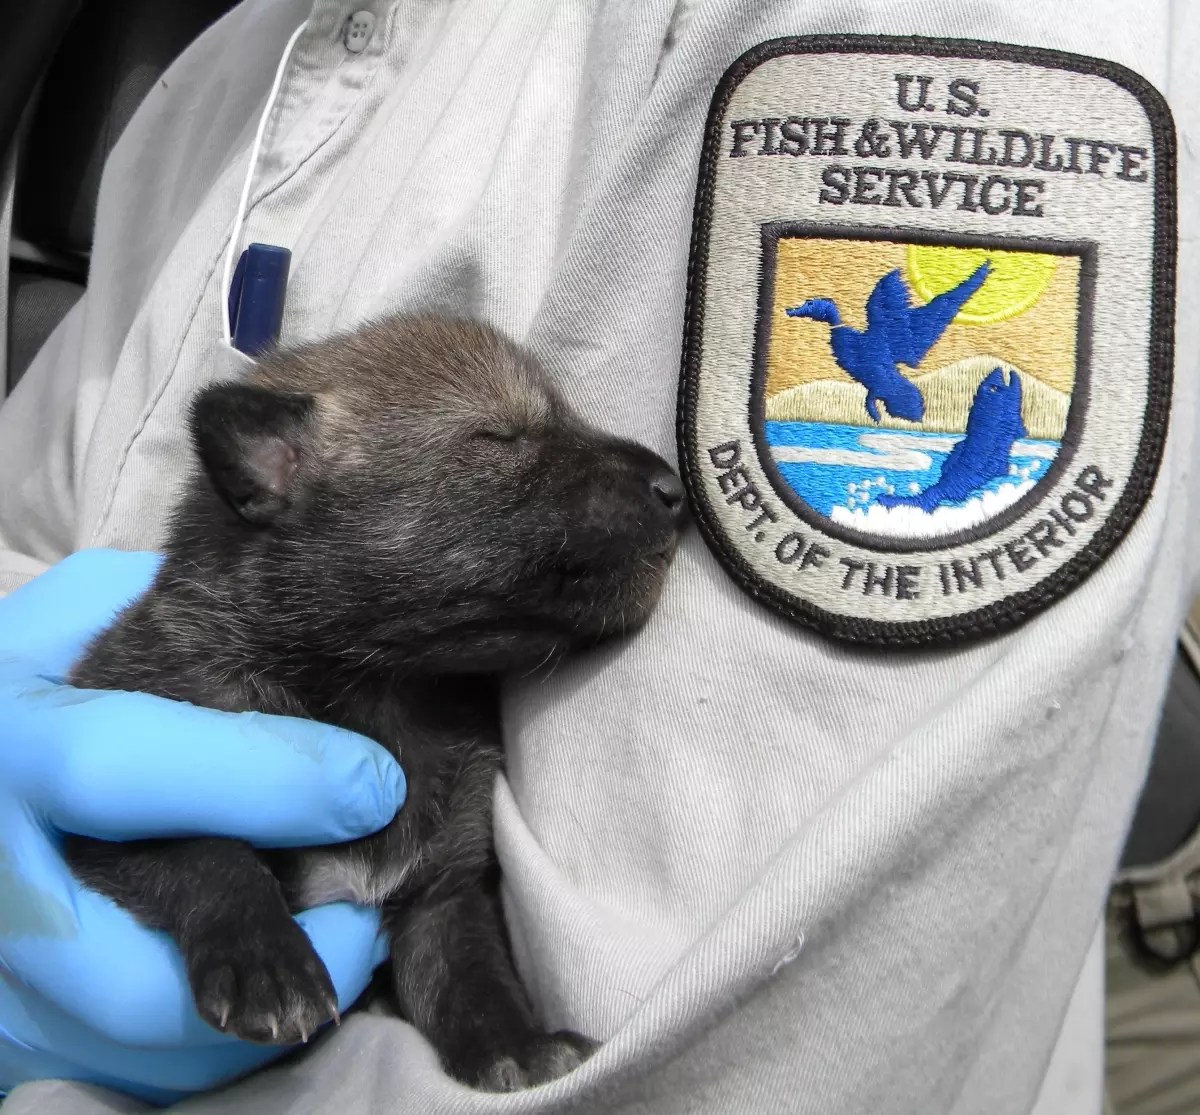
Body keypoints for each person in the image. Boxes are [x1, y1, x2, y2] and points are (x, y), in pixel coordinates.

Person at [1, 2, 1197, 1113]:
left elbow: (747, 1039)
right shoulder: (211, 75)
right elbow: (28, 524)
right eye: (499, 449)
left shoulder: (893, 34)